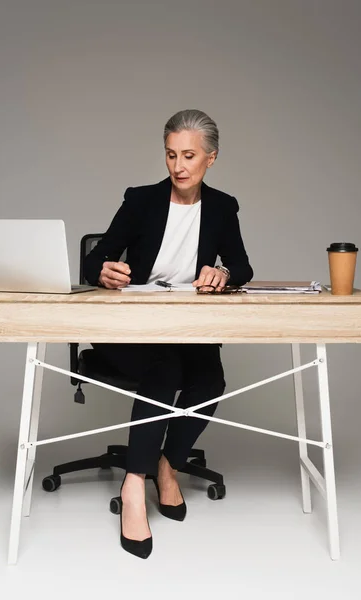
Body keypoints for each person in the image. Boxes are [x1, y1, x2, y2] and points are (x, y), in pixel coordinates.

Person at [84, 109, 253, 558]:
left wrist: (223, 274)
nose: (178, 166)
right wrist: (104, 271)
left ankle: (168, 464)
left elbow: (242, 265)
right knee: (164, 371)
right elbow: (94, 257)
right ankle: (134, 485)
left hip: (183, 325)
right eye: (171, 154)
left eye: (189, 156)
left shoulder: (222, 207)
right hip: (128, 325)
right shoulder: (140, 200)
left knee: (209, 381)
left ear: (211, 159)